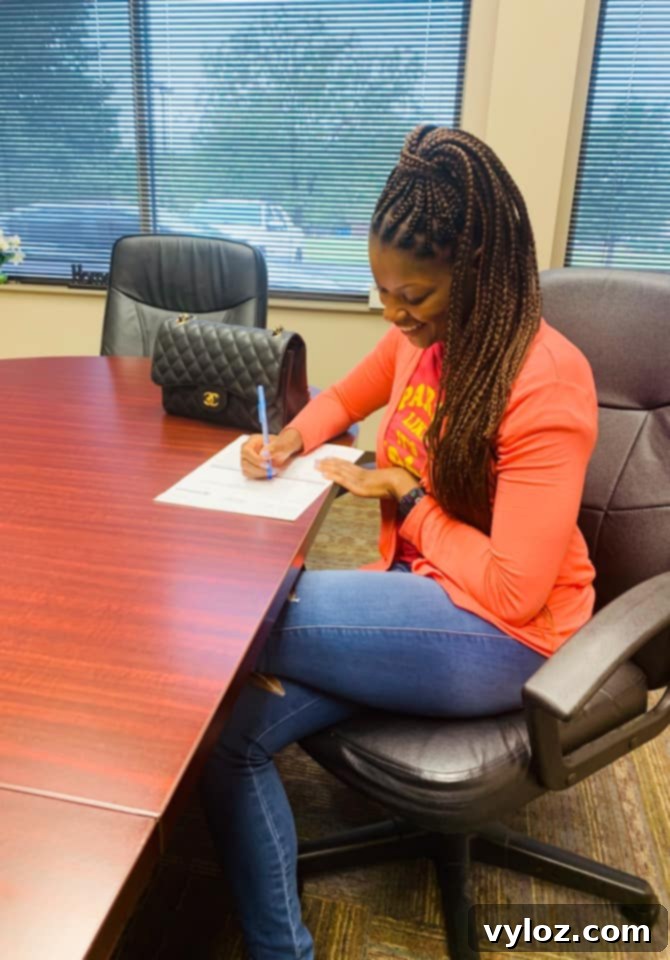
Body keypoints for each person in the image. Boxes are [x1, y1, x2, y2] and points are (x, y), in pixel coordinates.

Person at [200, 125, 598, 960]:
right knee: (228, 736)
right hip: (422, 600)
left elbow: (517, 591)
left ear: (478, 276)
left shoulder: (544, 384)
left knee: (229, 615)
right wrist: (290, 441)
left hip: (508, 635)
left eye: (412, 295)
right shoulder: (428, 338)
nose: (394, 313)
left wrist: (407, 499)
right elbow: (349, 390)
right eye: (382, 290)